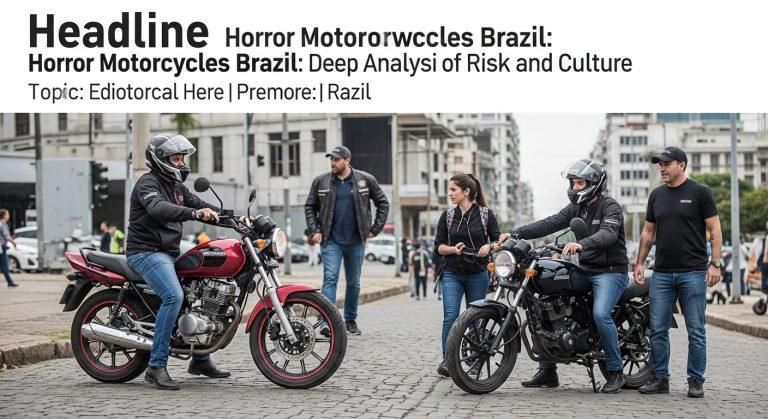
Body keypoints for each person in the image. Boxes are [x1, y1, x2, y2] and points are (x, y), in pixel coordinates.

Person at [511, 159, 630, 394]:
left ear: (594, 183)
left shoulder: (610, 207)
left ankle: (616, 373)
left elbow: (607, 235)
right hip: (586, 270)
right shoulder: (576, 209)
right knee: (542, 302)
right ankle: (548, 370)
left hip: (610, 272)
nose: (575, 187)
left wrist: (580, 244)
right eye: (573, 183)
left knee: (600, 313)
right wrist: (515, 233)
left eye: (579, 183)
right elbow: (550, 223)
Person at [126, 134, 229, 390]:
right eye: (175, 158)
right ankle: (156, 366)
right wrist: (194, 213)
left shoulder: (177, 187)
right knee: (174, 297)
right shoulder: (147, 184)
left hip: (168, 252)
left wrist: (233, 218)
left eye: (182, 158)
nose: (181, 163)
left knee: (195, 295)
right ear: (160, 160)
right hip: (146, 252)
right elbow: (158, 209)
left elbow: (203, 206)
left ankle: (200, 359)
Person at [634, 146, 722, 398]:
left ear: (681, 165)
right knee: (658, 329)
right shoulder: (656, 196)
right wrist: (639, 263)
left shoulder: (700, 192)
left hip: (693, 273)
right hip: (661, 273)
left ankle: (696, 381)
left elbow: (715, 230)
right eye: (659, 164)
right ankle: (660, 378)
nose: (661, 168)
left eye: (666, 163)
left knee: (696, 330)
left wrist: (715, 263)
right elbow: (648, 232)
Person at [304, 145, 389, 335]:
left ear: (347, 160)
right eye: (331, 160)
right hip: (331, 240)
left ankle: (350, 321)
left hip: (356, 240)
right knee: (330, 279)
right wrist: (315, 230)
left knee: (353, 283)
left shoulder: (365, 180)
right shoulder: (321, 181)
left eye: (336, 159)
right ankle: (326, 322)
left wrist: (375, 229)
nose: (332, 163)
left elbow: (383, 202)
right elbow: (310, 206)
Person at [434, 173, 508, 377]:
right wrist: (452, 250)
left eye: (453, 190)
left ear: (466, 191)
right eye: (449, 190)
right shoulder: (448, 216)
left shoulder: (485, 214)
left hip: (478, 273)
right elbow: (438, 247)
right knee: (450, 318)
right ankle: (448, 361)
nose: (449, 193)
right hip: (452, 273)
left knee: (475, 319)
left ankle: (475, 360)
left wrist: (489, 247)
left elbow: (499, 242)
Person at [0, 209, 19, 288]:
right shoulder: (2, 224)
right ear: (4, 215)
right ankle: (10, 283)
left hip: (2, 247)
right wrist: (13, 242)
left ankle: (10, 282)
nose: (9, 216)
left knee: (4, 265)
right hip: (1, 247)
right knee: (5, 265)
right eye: (7, 214)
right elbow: (7, 236)